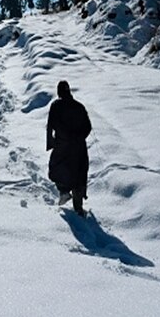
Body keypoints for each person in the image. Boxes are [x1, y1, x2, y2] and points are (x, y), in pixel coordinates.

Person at [46, 80, 92, 216]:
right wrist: (79, 137)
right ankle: (78, 208)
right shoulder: (79, 107)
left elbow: (50, 125)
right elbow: (88, 126)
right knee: (79, 173)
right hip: (79, 147)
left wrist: (52, 142)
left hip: (63, 145)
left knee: (56, 169)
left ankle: (64, 192)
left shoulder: (56, 106)